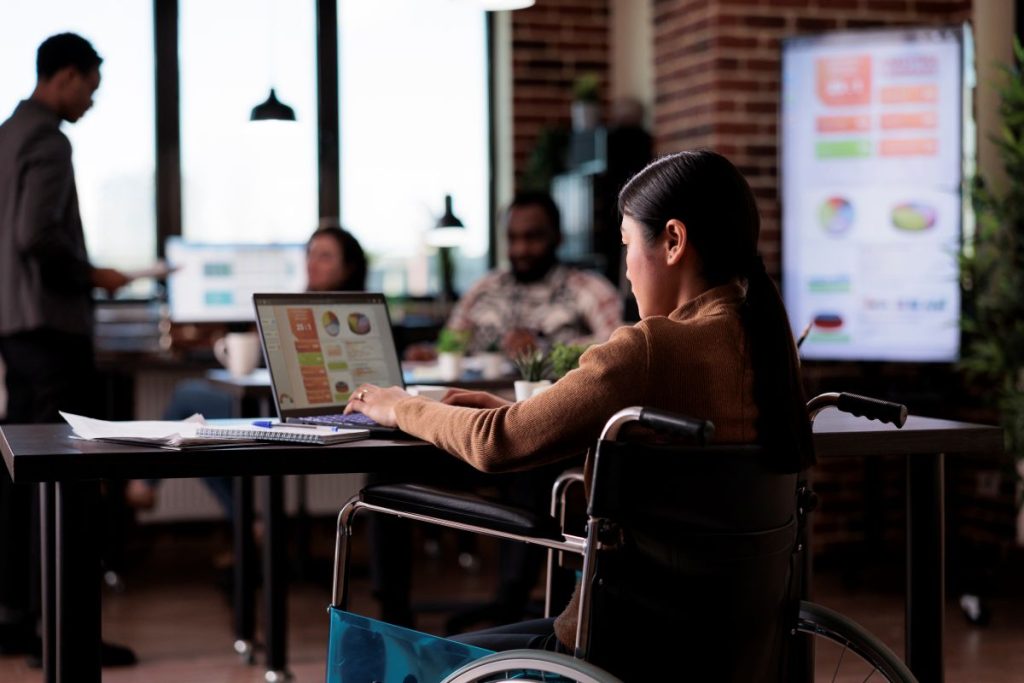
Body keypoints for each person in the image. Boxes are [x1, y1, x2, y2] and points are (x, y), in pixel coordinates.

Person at [345, 150, 816, 656]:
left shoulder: (650, 347)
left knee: (430, 661)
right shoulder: (769, 343)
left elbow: (495, 443)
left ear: (674, 241)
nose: (628, 270)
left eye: (628, 244)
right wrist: (516, 407)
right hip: (732, 640)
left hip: (622, 639)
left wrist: (399, 407)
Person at [0, 33, 134, 662]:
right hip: (52, 331)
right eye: (91, 89)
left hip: (15, 330)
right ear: (66, 76)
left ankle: (24, 622)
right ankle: (66, 634)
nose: (91, 103)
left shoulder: (6, 134)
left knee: (21, 479)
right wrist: (94, 274)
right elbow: (36, 236)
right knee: (68, 480)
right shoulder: (50, 139)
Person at [124, 224, 368, 512]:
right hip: (280, 404)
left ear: (349, 267)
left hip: (301, 408)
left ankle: (151, 487)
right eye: (310, 254)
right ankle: (248, 521)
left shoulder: (353, 317)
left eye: (325, 256)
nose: (312, 263)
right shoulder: (300, 308)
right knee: (202, 433)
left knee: (188, 400)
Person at [411, 191, 622, 359]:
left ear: (558, 237)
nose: (521, 250)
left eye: (532, 237)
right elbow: (451, 343)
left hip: (550, 407)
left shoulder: (587, 288)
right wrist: (431, 354)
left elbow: (620, 346)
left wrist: (547, 349)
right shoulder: (485, 288)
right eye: (513, 238)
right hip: (478, 407)